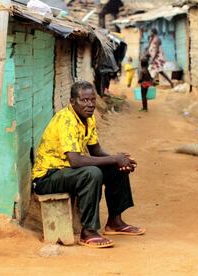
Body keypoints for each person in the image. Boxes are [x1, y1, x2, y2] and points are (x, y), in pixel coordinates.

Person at [32, 80, 145, 249]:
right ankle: (88, 232)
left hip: (67, 171)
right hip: (47, 176)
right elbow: (76, 161)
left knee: (116, 168)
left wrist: (119, 160)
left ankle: (115, 222)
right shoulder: (66, 120)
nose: (90, 104)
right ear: (72, 102)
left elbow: (96, 150)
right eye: (84, 100)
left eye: (92, 100)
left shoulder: (87, 118)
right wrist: (115, 158)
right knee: (92, 173)